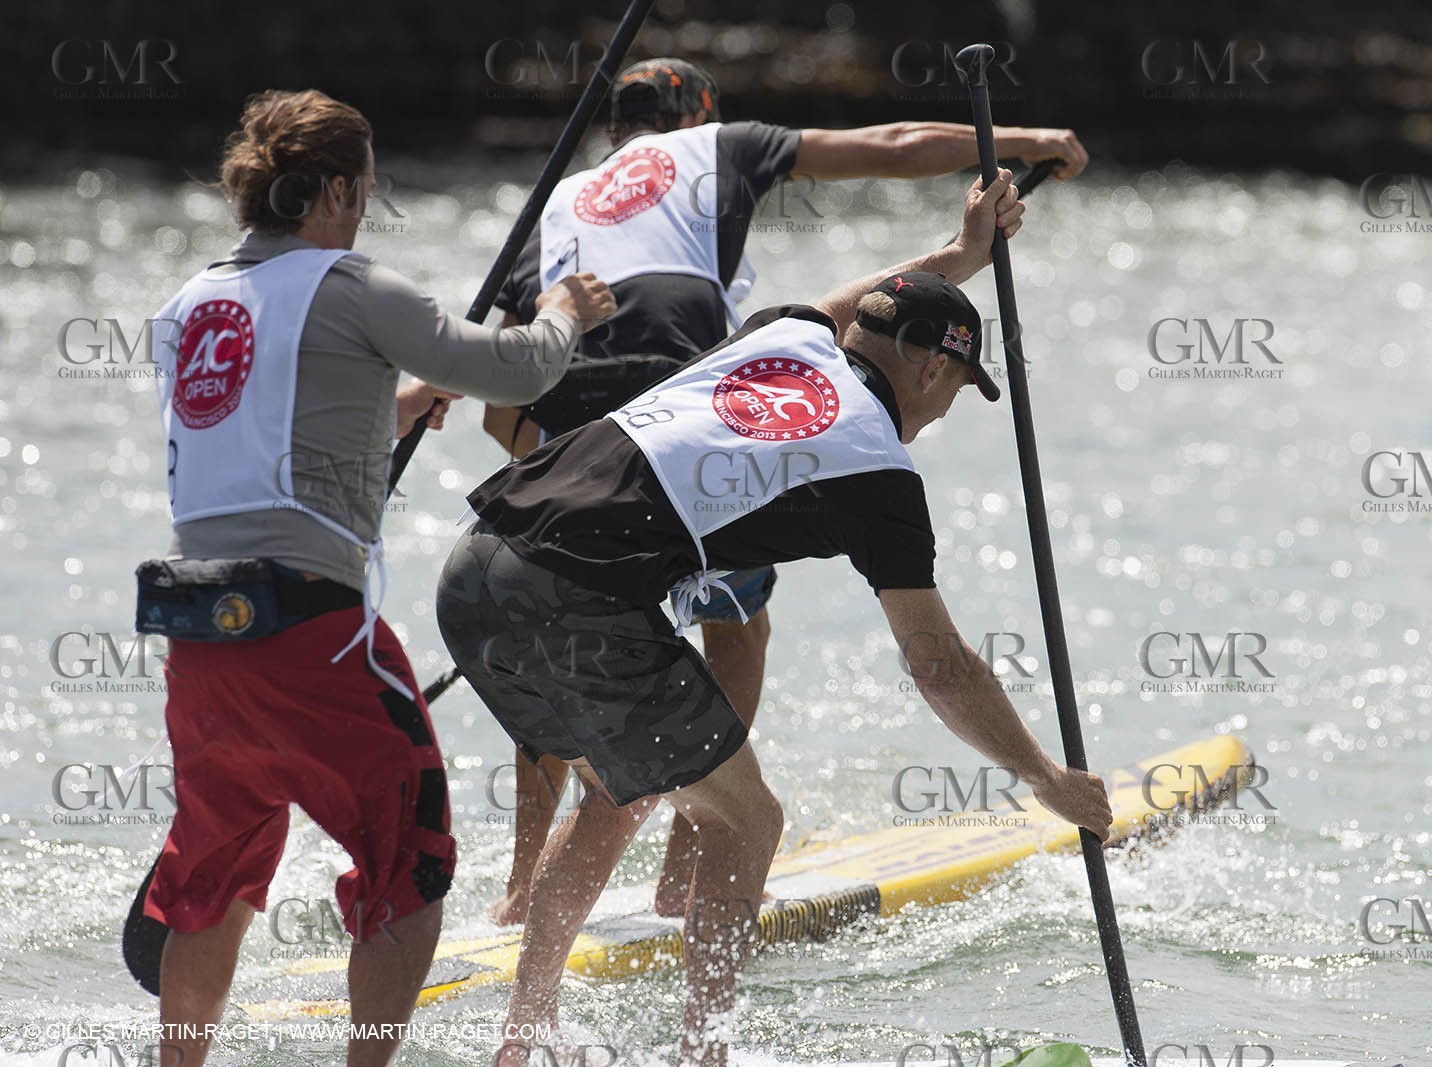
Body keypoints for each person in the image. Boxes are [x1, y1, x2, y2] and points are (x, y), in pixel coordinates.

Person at [436, 168, 1113, 1067]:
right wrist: (1042, 776)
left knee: (614, 792)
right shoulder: (880, 473)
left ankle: (520, 1043)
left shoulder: (783, 334)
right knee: (747, 820)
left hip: (475, 564)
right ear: (931, 365)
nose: (946, 411)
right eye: (954, 387)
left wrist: (960, 256)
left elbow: (855, 305)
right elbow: (937, 661)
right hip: (577, 593)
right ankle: (703, 1055)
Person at [482, 56, 1093, 926]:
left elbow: (500, 405)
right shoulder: (719, 145)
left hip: (570, 418)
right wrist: (1026, 143)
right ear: (699, 114)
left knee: (565, 595)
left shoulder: (560, 198)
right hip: (682, 389)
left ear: (615, 128)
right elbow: (889, 145)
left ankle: (517, 891)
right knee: (738, 629)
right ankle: (694, 871)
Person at [137, 88, 614, 1067]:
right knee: (415, 862)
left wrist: (385, 408)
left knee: (217, 872)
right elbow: (518, 371)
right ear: (340, 190)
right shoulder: (353, 286)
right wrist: (564, 312)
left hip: (200, 636)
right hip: (312, 631)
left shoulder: (184, 309)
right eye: (363, 194)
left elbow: (257, 439)